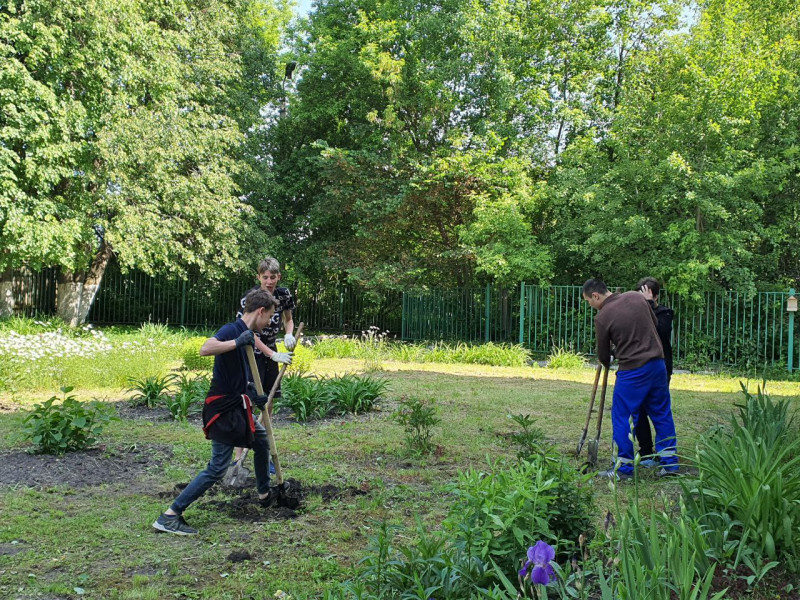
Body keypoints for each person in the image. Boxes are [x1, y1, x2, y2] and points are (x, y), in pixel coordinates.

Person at [152, 289, 278, 535]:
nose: (270, 322)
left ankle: (264, 494)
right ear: (260, 312)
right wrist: (236, 342)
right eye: (270, 317)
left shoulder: (249, 335)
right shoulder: (233, 330)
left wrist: (252, 393)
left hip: (236, 405)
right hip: (222, 410)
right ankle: (171, 514)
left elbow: (237, 373)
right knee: (218, 467)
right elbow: (205, 348)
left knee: (261, 440)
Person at [582, 278, 678, 479]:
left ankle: (624, 469)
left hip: (633, 370)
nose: (590, 306)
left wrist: (612, 356)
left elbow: (603, 355)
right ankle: (670, 465)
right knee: (661, 413)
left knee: (623, 416)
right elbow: (654, 324)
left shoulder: (603, 317)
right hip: (658, 364)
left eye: (589, 301)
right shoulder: (636, 297)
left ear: (596, 296)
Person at [232, 258, 296, 471]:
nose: (269, 281)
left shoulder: (284, 294)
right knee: (247, 403)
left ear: (279, 277)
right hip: (252, 352)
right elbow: (247, 332)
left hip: (271, 351)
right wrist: (271, 354)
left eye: (273, 277)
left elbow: (289, 319)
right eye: (265, 277)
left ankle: (265, 454)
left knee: (268, 403)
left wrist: (288, 335)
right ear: (258, 277)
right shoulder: (250, 298)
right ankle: (238, 458)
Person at [634, 277, 674, 466]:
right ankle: (646, 451)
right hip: (640, 368)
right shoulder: (635, 313)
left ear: (655, 296)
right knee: (639, 410)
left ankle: (664, 453)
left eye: (647, 296)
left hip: (661, 367)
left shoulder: (664, 313)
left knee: (658, 410)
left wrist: (649, 306)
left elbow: (659, 331)